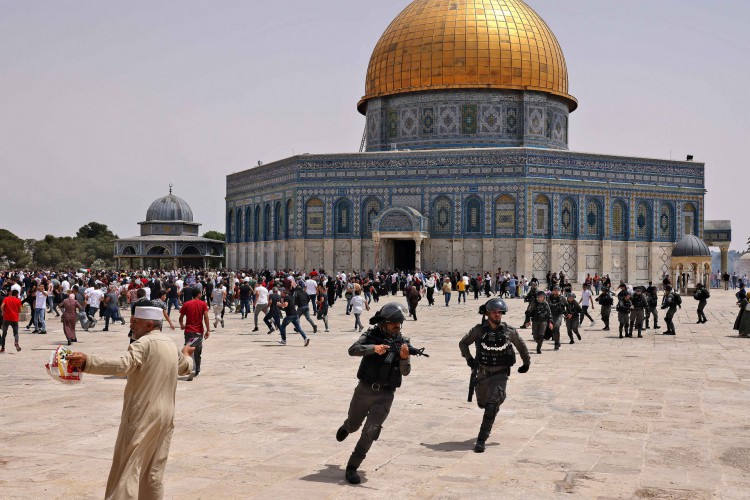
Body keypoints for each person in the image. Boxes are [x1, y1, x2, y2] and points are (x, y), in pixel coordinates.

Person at [67, 307, 195, 499]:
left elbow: (123, 365)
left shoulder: (142, 344)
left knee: (128, 469)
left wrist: (88, 362)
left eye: (135, 321)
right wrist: (186, 353)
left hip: (142, 414)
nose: (131, 325)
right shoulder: (169, 344)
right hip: (166, 415)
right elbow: (185, 367)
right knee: (153, 470)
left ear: (149, 324)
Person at [335, 303, 412, 484]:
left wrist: (403, 358)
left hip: (385, 395)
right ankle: (347, 427)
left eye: (399, 323)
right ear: (384, 323)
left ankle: (353, 466)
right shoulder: (370, 335)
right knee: (354, 426)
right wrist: (373, 348)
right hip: (364, 390)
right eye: (394, 323)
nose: (397, 327)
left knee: (371, 430)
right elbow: (352, 350)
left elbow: (406, 371)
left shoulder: (403, 342)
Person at [459, 298, 530, 453]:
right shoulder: (478, 330)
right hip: (483, 374)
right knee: (483, 403)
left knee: (491, 407)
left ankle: (481, 440)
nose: (497, 315)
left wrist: (526, 363)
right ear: (487, 313)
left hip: (500, 374)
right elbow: (463, 343)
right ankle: (496, 400)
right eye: (493, 312)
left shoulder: (509, 331)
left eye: (499, 312)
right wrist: (469, 359)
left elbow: (521, 346)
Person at [179, 288, 210, 380]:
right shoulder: (203, 304)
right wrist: (208, 330)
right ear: (199, 294)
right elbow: (206, 317)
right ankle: (196, 370)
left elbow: (180, 317)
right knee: (197, 351)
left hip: (189, 331)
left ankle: (190, 368)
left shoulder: (186, 304)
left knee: (188, 349)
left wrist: (182, 325)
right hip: (198, 332)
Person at [524, 290, 552, 354]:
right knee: (535, 336)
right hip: (535, 320)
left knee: (541, 335)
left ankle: (538, 348)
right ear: (537, 297)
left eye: (542, 296)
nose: (541, 298)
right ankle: (539, 342)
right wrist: (528, 321)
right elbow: (528, 312)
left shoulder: (546, 303)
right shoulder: (534, 303)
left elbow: (549, 313)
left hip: (544, 321)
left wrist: (550, 322)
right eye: (540, 296)